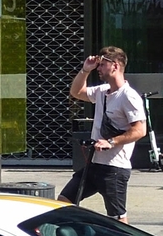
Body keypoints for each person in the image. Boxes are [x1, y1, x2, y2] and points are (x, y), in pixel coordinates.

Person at [60, 47, 147, 221]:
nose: (98, 69)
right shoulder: (102, 92)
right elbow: (76, 92)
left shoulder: (128, 96)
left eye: (102, 65)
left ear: (114, 66)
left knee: (117, 218)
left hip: (114, 168)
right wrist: (85, 70)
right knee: (64, 202)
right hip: (94, 164)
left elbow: (140, 130)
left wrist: (111, 141)